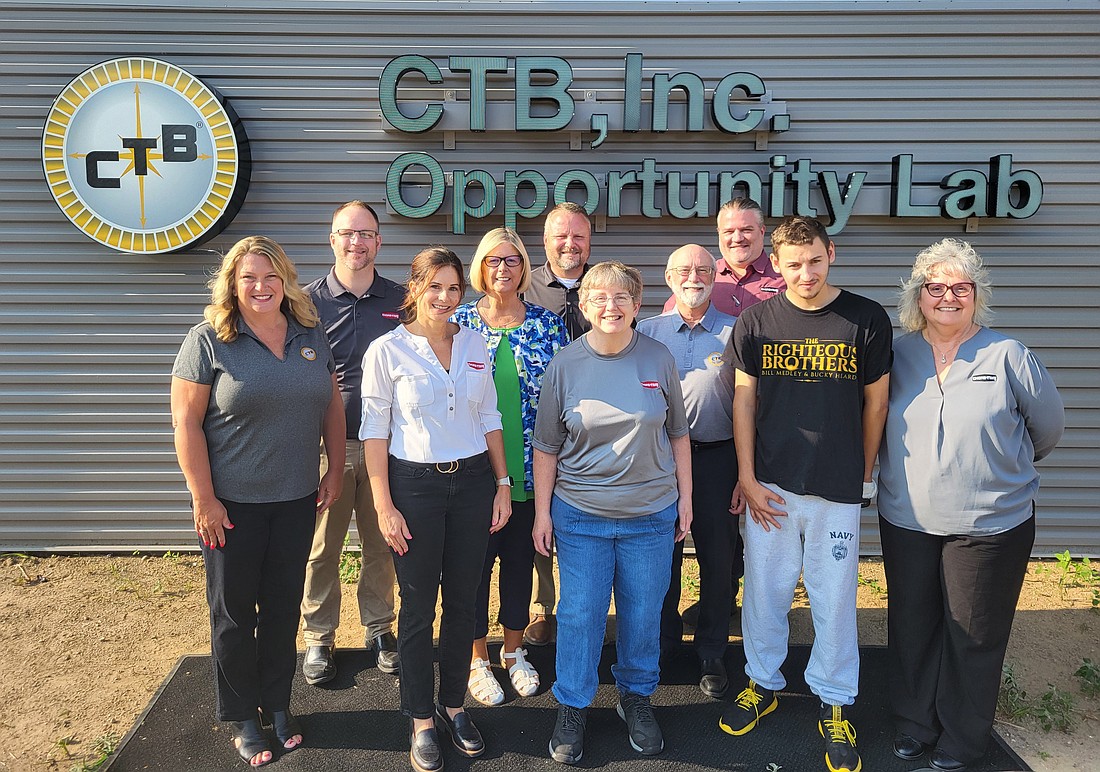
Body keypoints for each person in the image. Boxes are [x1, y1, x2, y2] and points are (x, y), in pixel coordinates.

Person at [877, 239, 1064, 772]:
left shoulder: (1008, 354)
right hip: (906, 517)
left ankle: (962, 737)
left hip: (990, 524)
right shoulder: (898, 352)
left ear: (976, 294)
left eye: (961, 287)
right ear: (919, 296)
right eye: (936, 288)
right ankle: (915, 723)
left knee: (973, 633)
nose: (949, 297)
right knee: (912, 625)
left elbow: (1047, 429)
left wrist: (997, 469)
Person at [720, 216, 892, 772]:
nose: (806, 273)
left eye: (814, 260)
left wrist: (862, 475)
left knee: (834, 597)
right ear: (777, 263)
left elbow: (877, 404)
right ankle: (762, 682)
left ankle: (835, 699)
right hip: (770, 484)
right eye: (793, 263)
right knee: (766, 592)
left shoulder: (865, 318)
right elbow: (743, 402)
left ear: (831, 253)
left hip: (837, 488)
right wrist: (746, 477)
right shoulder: (756, 320)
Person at [170, 236, 345, 767]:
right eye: (249, 277)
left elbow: (332, 408)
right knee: (232, 615)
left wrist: (334, 470)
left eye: (270, 276)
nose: (261, 286)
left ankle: (279, 704)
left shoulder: (311, 336)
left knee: (281, 611)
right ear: (232, 283)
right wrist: (204, 499)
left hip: (296, 501)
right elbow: (186, 425)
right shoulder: (208, 341)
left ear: (285, 280)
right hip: (231, 508)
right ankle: (244, 715)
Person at [360, 247, 513, 772]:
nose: (446, 298)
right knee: (419, 606)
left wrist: (501, 483)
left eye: (454, 289)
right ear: (415, 289)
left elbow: (489, 414)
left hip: (473, 482)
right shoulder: (387, 351)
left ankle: (454, 707)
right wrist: (383, 504)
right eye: (436, 288)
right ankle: (421, 719)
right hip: (415, 487)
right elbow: (375, 432)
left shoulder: (476, 342)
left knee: (466, 603)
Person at [533, 261, 692, 764]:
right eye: (599, 297)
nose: (611, 306)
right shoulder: (564, 364)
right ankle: (574, 705)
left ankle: (636, 698)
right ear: (583, 306)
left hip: (651, 514)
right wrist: (542, 515)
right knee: (580, 615)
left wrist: (685, 499)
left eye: (622, 297)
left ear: (637, 304)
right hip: (581, 514)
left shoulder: (659, 357)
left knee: (643, 614)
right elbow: (545, 447)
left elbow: (678, 434)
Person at [452, 227, 569, 706]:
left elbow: (563, 394)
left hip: (531, 469)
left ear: (525, 268)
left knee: (520, 563)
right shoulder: (457, 322)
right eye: (494, 260)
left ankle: (514, 650)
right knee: (473, 569)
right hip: (470, 471)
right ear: (480, 267)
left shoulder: (547, 324)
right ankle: (477, 656)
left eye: (513, 261)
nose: (503, 269)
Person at [663, 197, 784, 628]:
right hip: (672, 451)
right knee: (667, 554)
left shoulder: (784, 278)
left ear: (762, 233)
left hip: (751, 434)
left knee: (728, 547)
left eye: (747, 229)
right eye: (729, 231)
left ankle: (728, 630)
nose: (738, 238)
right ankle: (665, 639)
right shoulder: (695, 280)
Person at [300, 201, 404, 685]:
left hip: (388, 444)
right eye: (347, 233)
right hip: (328, 446)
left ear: (379, 241)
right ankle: (318, 637)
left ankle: (380, 628)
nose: (356, 242)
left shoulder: (402, 300)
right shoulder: (304, 303)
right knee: (323, 547)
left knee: (383, 542)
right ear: (332, 239)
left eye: (366, 234)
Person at [638, 244, 743, 700]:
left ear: (714, 276)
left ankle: (712, 652)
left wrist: (746, 472)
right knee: (662, 561)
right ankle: (663, 647)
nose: (694, 276)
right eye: (684, 268)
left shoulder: (738, 331)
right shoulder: (645, 331)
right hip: (659, 462)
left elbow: (750, 405)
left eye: (703, 268)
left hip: (719, 460)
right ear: (668, 276)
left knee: (719, 563)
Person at [521, 202, 594, 646]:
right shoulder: (524, 287)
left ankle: (581, 606)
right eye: (561, 236)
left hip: (594, 424)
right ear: (545, 241)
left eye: (579, 237)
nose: (570, 244)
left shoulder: (605, 286)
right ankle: (541, 607)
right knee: (540, 512)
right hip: (539, 424)